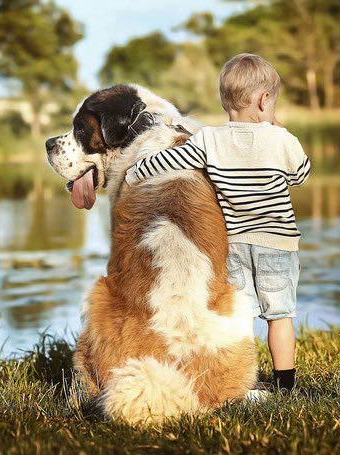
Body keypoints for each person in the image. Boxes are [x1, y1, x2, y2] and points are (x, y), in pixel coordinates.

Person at [122, 53, 313, 396]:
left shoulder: (209, 140)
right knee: (280, 316)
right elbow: (301, 175)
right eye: (272, 104)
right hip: (278, 245)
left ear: (226, 100)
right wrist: (281, 134)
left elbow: (167, 161)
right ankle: (287, 386)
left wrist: (134, 172)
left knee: (240, 317)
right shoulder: (281, 140)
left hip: (235, 245)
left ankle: (246, 382)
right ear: (263, 100)